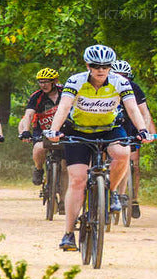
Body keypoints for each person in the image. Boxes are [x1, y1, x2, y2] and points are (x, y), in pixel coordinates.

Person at [44, 45, 150, 252]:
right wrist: (54, 130)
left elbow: (131, 108)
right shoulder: (75, 81)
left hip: (109, 128)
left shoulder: (121, 82)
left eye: (105, 66)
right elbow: (64, 107)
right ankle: (68, 234)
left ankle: (110, 194)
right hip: (79, 130)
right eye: (95, 66)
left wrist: (143, 129)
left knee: (122, 152)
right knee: (77, 180)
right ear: (88, 66)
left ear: (110, 67)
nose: (100, 70)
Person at [111, 59, 156, 219]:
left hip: (131, 125)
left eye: (125, 76)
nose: (122, 79)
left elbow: (144, 113)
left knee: (134, 163)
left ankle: (133, 198)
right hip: (110, 125)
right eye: (117, 75)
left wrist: (146, 130)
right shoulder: (105, 87)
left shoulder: (134, 89)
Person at [19, 67, 63, 182]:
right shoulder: (36, 96)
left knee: (66, 164)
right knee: (39, 148)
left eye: (46, 82)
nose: (43, 85)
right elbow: (28, 115)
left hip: (63, 130)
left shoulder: (65, 93)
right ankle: (39, 169)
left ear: (55, 81)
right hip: (42, 130)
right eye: (41, 82)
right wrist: (26, 131)